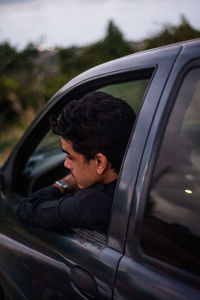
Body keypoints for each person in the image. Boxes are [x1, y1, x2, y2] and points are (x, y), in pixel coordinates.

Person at [17, 92, 136, 232]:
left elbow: (27, 209)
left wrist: (63, 184)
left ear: (99, 162)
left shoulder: (92, 205)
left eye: (70, 156)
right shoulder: (144, 178)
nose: (66, 164)